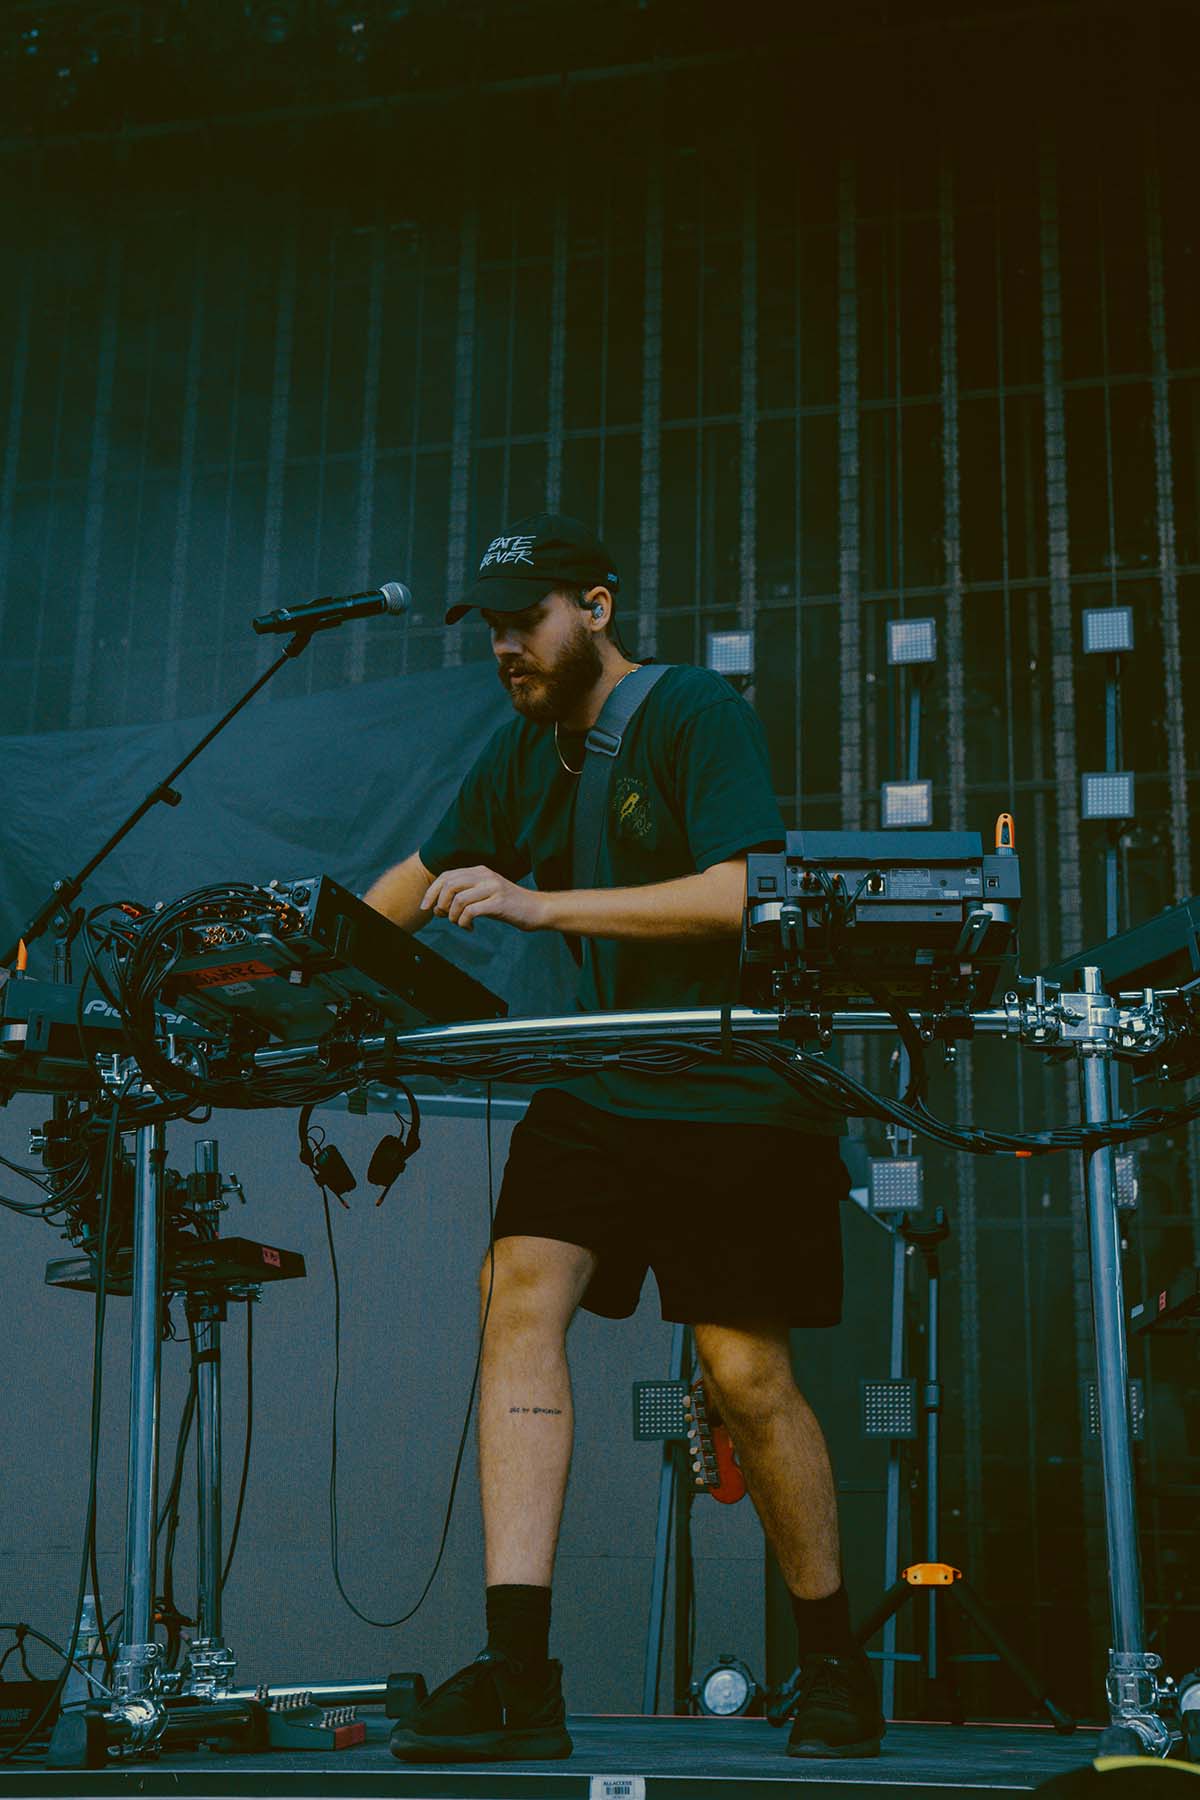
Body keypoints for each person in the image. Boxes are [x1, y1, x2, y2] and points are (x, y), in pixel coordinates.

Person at [365, 513, 884, 1764]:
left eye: (526, 619)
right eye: (492, 627)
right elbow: (416, 880)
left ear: (594, 608)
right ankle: (520, 1677)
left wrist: (538, 905)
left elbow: (742, 889)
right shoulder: (518, 752)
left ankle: (832, 1668)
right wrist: (302, 962)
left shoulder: (691, 708)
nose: (506, 645)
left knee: (744, 1373)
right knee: (516, 1290)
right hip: (603, 1086)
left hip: (732, 1084)